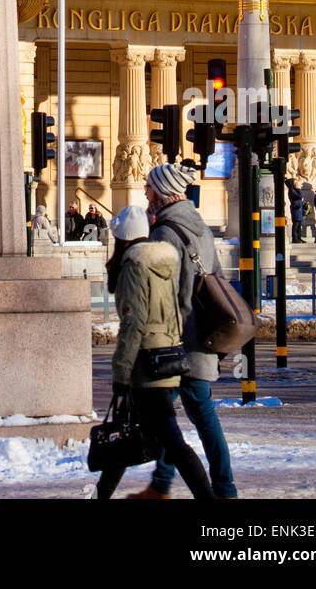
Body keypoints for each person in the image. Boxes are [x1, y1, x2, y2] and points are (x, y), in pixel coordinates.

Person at [127, 162, 238, 501]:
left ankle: (219, 489)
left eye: (149, 188)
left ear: (162, 191)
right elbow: (216, 276)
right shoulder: (200, 227)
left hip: (176, 344)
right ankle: (176, 486)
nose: (146, 194)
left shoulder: (165, 232)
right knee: (186, 416)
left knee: (180, 415)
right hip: (199, 339)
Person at [96, 204, 214, 501]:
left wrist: (121, 371)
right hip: (163, 359)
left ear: (121, 238)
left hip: (145, 365)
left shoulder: (133, 268)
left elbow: (132, 325)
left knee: (172, 441)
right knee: (127, 434)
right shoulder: (161, 266)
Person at [286, 178, 304, 243]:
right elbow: (300, 196)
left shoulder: (294, 190)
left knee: (299, 224)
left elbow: (301, 196)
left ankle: (299, 237)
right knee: (296, 224)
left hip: (299, 208)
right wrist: (298, 189)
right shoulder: (292, 190)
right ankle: (295, 238)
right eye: (296, 183)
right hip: (296, 208)